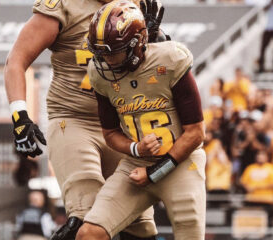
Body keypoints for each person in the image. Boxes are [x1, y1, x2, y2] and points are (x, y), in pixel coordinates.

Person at [4, 0, 167, 239]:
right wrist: (20, 115)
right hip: (74, 119)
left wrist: (154, 43)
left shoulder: (139, 5)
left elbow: (163, 71)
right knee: (87, 214)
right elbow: (16, 60)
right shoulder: (63, 6)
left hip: (122, 126)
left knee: (138, 226)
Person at [76, 1, 206, 239]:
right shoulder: (99, 74)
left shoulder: (169, 60)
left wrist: (154, 173)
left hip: (182, 162)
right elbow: (110, 134)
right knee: (89, 234)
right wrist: (135, 148)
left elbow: (196, 133)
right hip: (135, 164)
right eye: (101, 52)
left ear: (138, 43)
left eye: (113, 51)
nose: (107, 60)